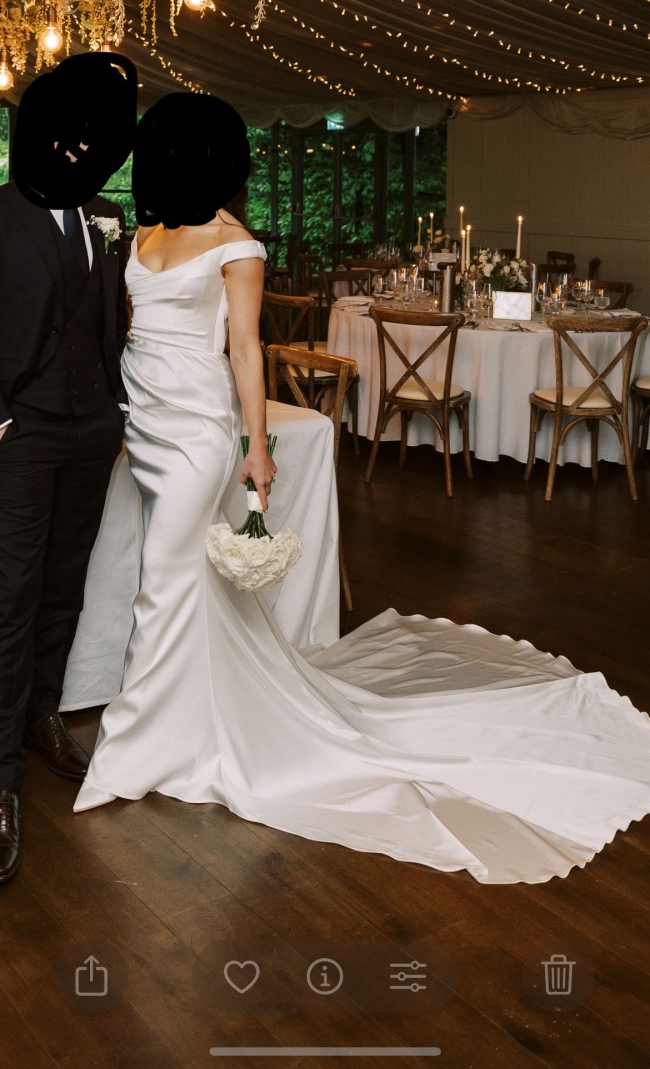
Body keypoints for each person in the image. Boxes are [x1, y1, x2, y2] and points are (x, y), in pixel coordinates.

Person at [72, 92, 650, 884]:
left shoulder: (237, 243)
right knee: (168, 581)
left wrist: (256, 447)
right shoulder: (146, 232)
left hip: (198, 433)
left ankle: (136, 747)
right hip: (141, 418)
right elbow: (133, 328)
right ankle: (188, 717)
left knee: (164, 584)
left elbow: (245, 351)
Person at [0, 52, 137, 887]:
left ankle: (43, 714)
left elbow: (105, 320)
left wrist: (115, 406)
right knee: (10, 595)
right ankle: (0, 777)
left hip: (92, 432)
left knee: (64, 584)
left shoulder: (103, 216)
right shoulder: (2, 210)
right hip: (24, 433)